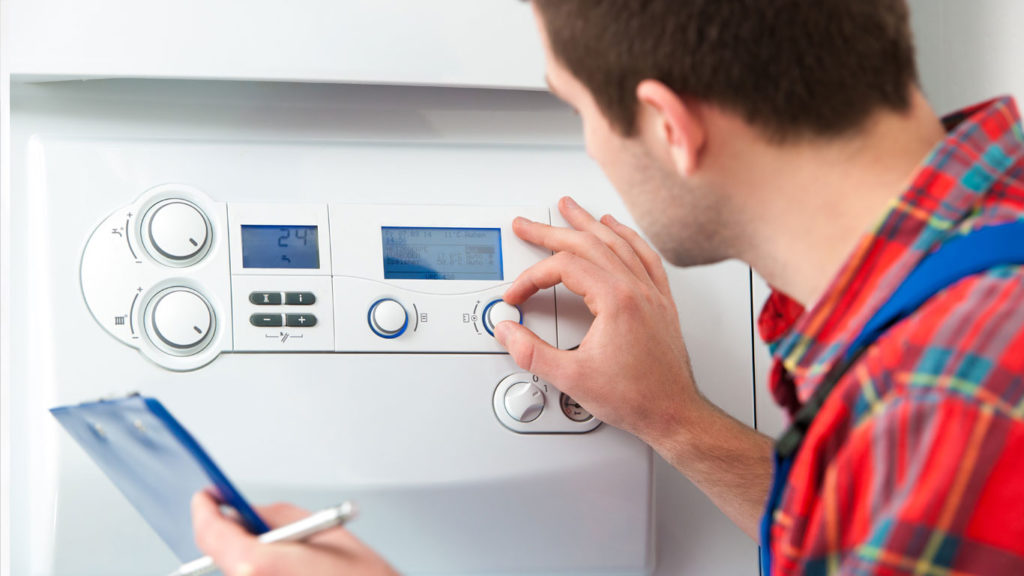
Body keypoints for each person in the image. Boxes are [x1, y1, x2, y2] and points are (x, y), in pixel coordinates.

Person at [192, 0, 1024, 574]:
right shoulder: (980, 258)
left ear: (670, 127)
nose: (590, 147)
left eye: (576, 108)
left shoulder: (939, 400)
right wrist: (675, 419)